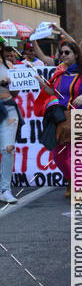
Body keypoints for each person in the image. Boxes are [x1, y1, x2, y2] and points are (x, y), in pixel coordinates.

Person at [37, 40, 82, 195]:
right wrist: (41, 84)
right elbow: (54, 94)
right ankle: (73, 181)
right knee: (58, 156)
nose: (63, 55)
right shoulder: (60, 74)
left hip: (80, 117)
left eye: (67, 52)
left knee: (77, 155)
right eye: (61, 52)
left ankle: (77, 188)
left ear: (76, 55)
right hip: (62, 118)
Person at [0, 43, 23, 203]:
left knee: (8, 149)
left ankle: (5, 189)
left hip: (8, 109)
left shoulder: (8, 65)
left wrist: (11, 83)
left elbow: (16, 92)